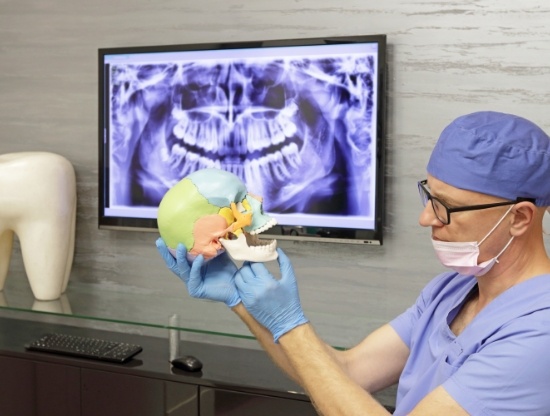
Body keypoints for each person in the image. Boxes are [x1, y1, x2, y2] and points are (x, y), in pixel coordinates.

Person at [156, 111, 550, 415]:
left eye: (448, 208)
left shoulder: (539, 335)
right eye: (430, 196)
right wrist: (243, 300)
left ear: (519, 218)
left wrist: (289, 326)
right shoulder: (452, 291)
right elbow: (347, 373)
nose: (426, 218)